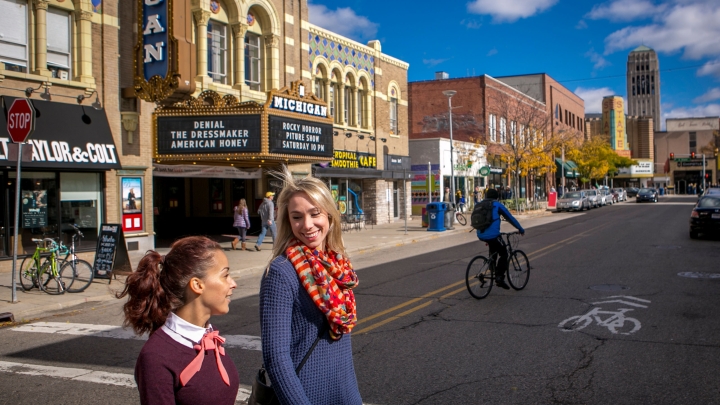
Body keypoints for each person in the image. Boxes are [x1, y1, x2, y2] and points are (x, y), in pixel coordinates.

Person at [259, 167, 362, 405]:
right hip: (304, 397)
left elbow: (341, 349)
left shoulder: (338, 265)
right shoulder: (281, 272)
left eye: (315, 214)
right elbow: (276, 358)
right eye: (297, 217)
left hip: (345, 394)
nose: (307, 225)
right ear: (287, 220)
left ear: (329, 215)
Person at [117, 236, 239, 405]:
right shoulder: (156, 357)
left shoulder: (208, 336)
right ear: (197, 285)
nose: (233, 283)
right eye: (225, 275)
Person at [475, 189, 525, 290]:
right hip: (493, 235)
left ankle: (491, 267)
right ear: (497, 197)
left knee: (494, 249)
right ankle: (499, 277)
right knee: (504, 253)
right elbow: (510, 218)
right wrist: (520, 229)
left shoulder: (480, 204)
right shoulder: (497, 205)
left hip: (480, 234)